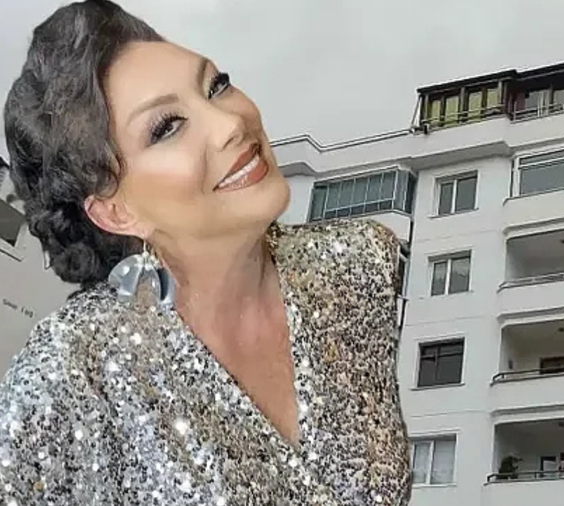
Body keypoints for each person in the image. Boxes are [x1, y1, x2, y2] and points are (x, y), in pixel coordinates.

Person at [0, 1, 411, 504]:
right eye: (167, 127)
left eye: (216, 86)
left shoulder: (358, 266)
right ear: (115, 212)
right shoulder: (74, 366)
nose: (229, 122)